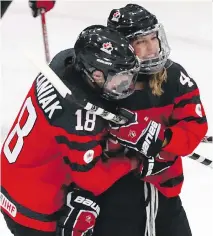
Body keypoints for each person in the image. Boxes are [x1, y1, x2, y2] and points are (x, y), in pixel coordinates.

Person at [0, 25, 141, 236]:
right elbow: (93, 180)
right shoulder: (79, 118)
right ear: (95, 75)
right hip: (32, 209)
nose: (125, 85)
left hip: (12, 175)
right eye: (118, 80)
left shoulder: (63, 63)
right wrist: (133, 160)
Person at [91, 4, 208, 236]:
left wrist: (161, 140)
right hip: (112, 193)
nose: (151, 48)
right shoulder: (103, 82)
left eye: (153, 38)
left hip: (163, 188)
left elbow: (193, 130)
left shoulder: (175, 78)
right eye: (140, 42)